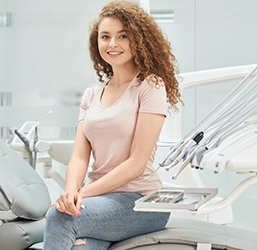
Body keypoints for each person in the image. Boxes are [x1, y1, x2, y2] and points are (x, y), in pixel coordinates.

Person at [43, 0, 182, 249]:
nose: (113, 44)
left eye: (123, 36)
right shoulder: (91, 95)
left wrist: (79, 196)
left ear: (138, 41)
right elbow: (78, 157)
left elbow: (136, 165)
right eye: (105, 36)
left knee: (60, 216)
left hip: (141, 201)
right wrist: (70, 191)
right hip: (100, 200)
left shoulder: (150, 86)